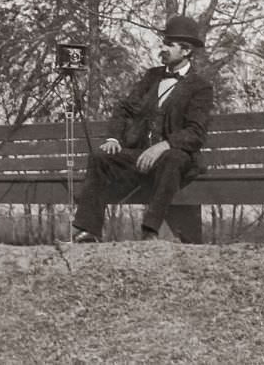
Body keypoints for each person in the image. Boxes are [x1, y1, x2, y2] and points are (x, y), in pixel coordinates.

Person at [72, 15, 214, 242]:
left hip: (174, 161)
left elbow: (195, 133)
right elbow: (124, 109)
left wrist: (162, 146)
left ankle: (150, 232)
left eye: (169, 44)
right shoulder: (152, 77)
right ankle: (89, 231)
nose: (162, 48)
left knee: (173, 158)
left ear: (186, 50)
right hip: (139, 157)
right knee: (99, 157)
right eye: (163, 42)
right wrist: (113, 139)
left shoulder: (200, 87)